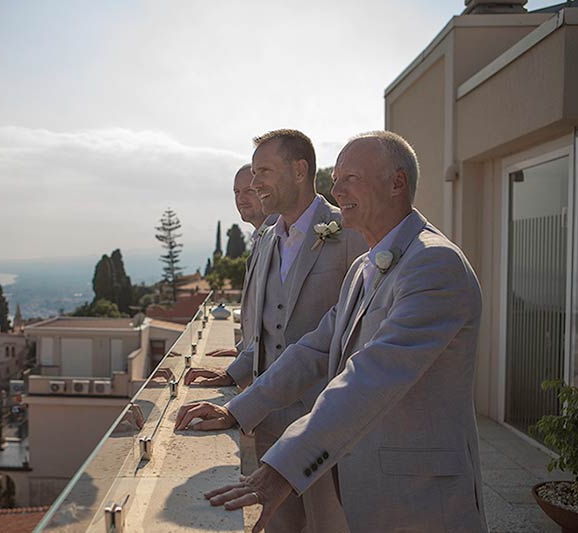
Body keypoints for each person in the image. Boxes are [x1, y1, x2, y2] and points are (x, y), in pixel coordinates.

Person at [176, 131, 488, 533]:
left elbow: (371, 377)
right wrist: (237, 411)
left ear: (397, 183)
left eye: (350, 178)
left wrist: (280, 471)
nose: (336, 190)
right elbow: (315, 350)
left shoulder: (435, 264)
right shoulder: (365, 267)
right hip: (365, 486)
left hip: (421, 499)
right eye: (336, 178)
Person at [185, 129, 366, 532]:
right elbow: (266, 331)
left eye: (263, 170)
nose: (254, 183)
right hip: (269, 422)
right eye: (253, 172)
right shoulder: (267, 240)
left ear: (300, 170)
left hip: (327, 424)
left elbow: (349, 328)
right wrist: (234, 373)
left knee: (330, 525)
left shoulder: (348, 231)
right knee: (280, 527)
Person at [206, 163, 277, 358]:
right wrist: (242, 350)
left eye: (249, 191)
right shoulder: (260, 237)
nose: (241, 199)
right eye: (236, 192)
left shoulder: (284, 237)